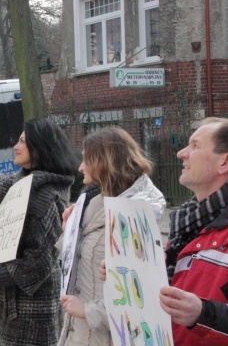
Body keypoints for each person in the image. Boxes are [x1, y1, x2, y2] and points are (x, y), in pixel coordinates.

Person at [0, 117, 80, 346]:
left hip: (34, 310)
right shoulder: (21, 182)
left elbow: (40, 263)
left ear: (40, 148)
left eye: (23, 141)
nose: (15, 145)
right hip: (9, 305)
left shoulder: (46, 197)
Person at [157, 117, 228, 345]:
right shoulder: (186, 223)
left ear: (225, 162)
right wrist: (127, 270)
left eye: (195, 146)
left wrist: (203, 313)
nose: (181, 153)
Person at [57, 126, 166, 346]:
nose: (80, 168)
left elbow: (142, 299)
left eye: (86, 160)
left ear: (104, 162)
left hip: (108, 337)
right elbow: (80, 265)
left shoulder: (134, 216)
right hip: (79, 334)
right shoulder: (92, 202)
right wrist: (69, 231)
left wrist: (87, 311)